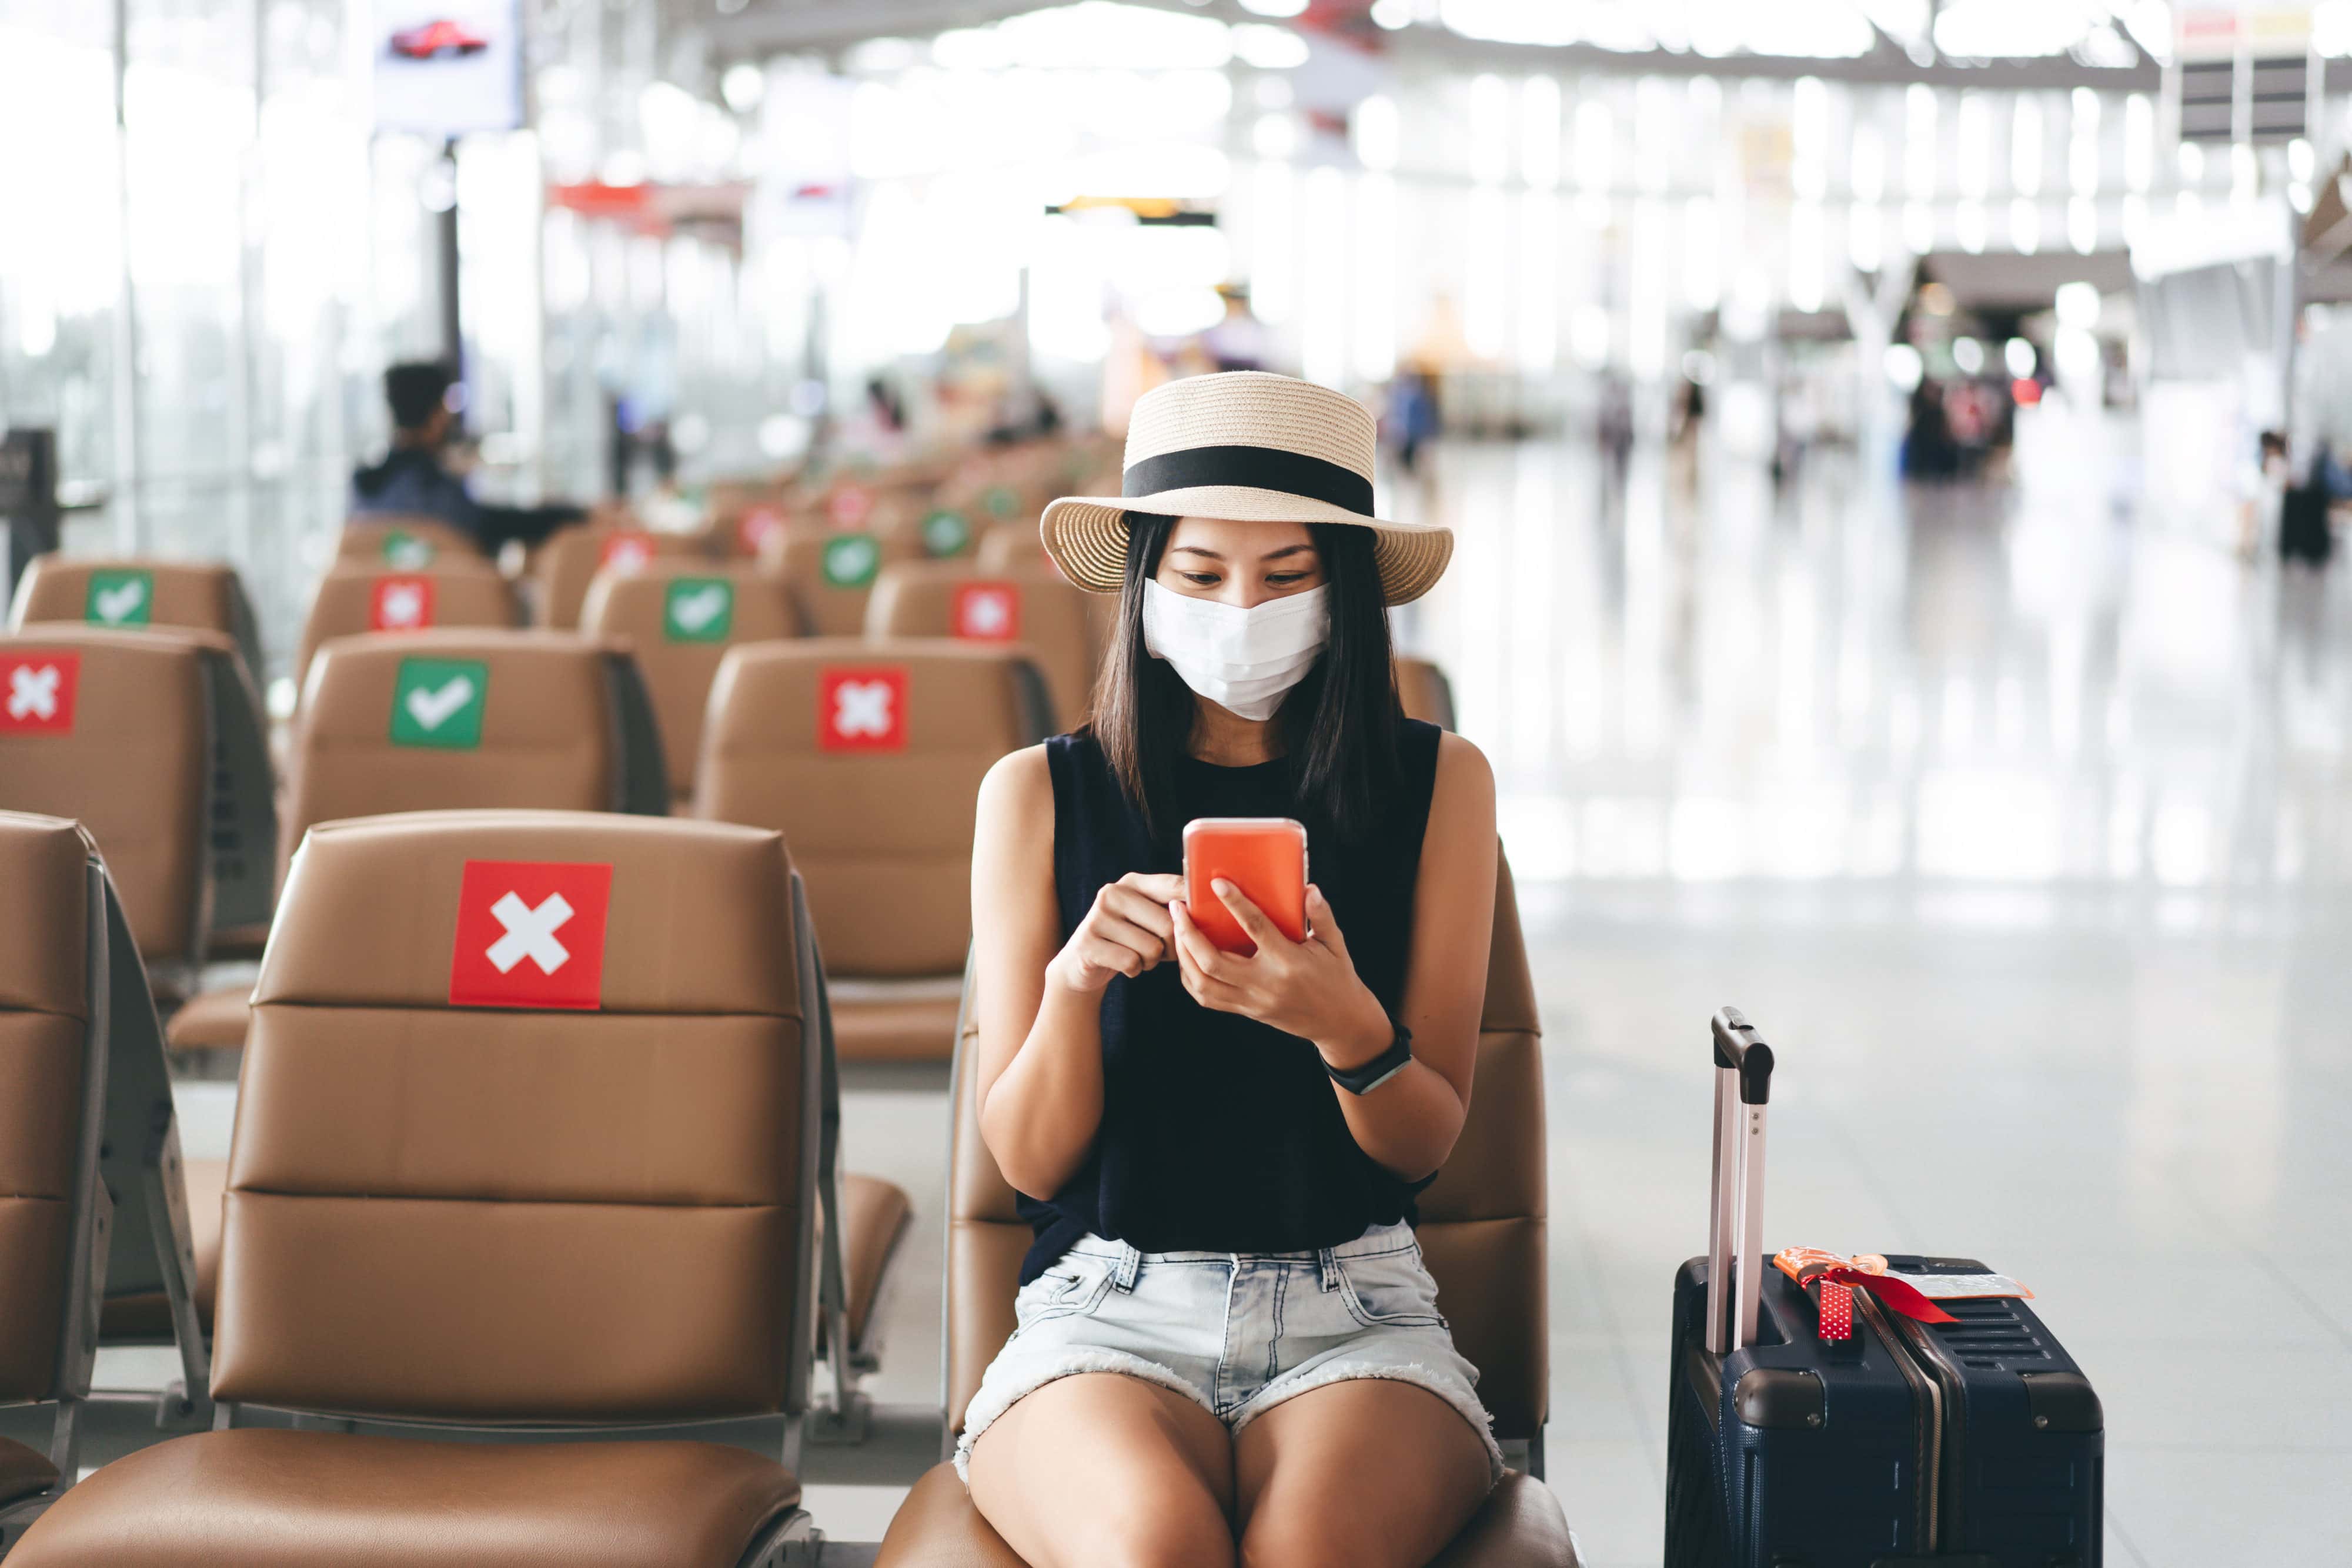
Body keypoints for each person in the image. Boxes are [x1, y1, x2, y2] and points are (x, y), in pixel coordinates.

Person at [962, 372, 1501, 1568]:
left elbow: (1420, 1145)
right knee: (1150, 1547)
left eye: (1287, 574)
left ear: (1346, 593)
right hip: (1106, 1301)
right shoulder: (1039, 795)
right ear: (1143, 583)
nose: (1239, 609)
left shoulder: (1439, 784)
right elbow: (1029, 1161)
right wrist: (1072, 988)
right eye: (1200, 574)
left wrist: (1345, 1025)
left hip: (1351, 1303)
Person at [349, 362, 583, 549]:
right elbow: (492, 525)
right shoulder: (437, 491)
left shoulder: (363, 489)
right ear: (437, 416)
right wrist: (574, 515)